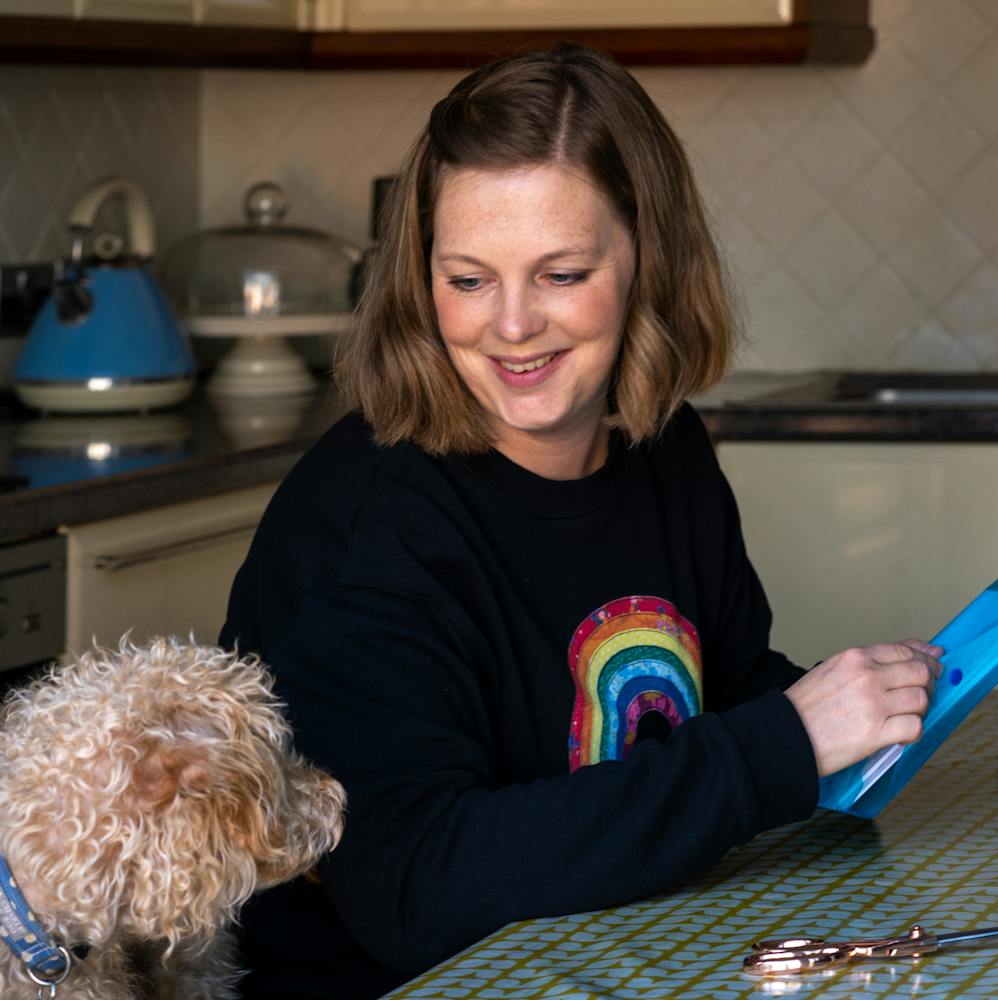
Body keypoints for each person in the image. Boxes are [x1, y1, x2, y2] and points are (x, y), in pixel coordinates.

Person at [220, 42, 942, 999]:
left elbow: (717, 694)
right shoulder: (367, 527)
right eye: (468, 279)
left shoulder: (663, 448)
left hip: (620, 948)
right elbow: (415, 886)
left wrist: (864, 714)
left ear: (647, 260)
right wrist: (786, 743)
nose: (511, 326)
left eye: (560, 274)